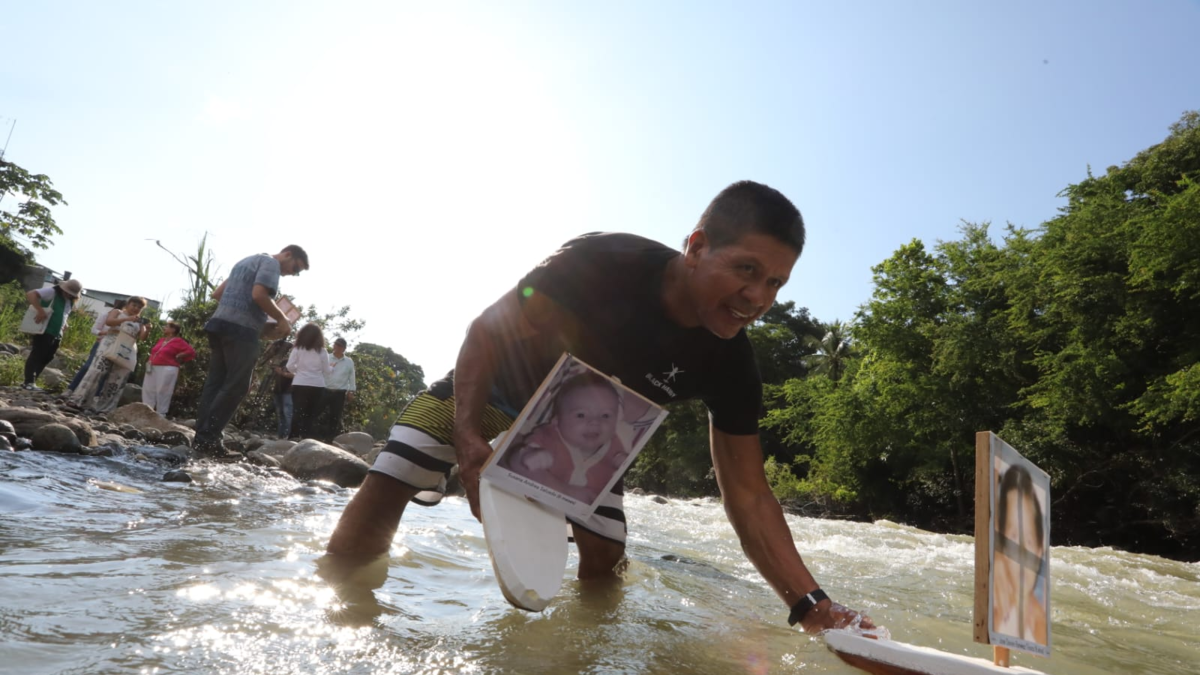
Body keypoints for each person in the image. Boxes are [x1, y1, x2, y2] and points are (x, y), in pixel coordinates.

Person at [325, 180, 873, 634]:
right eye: (746, 270)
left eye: (776, 282)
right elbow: (487, 330)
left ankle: (580, 653)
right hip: (496, 389)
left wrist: (813, 607)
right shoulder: (605, 261)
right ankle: (342, 621)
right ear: (697, 246)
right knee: (393, 477)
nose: (759, 298)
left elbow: (749, 495)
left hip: (587, 434)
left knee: (606, 562)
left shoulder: (732, 365)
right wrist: (467, 436)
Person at [192, 245, 308, 457]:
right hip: (241, 331)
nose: (293, 273)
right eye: (296, 268)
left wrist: (256, 321)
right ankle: (209, 439)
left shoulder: (246, 261)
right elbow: (259, 295)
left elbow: (218, 294)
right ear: (288, 254)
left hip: (219, 325)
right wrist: (282, 319)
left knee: (215, 383)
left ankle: (202, 437)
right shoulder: (271, 263)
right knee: (237, 385)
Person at [499, 371, 628, 504]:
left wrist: (623, 462)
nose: (595, 422)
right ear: (556, 420)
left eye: (605, 415)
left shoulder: (615, 447)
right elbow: (512, 459)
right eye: (581, 415)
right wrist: (527, 455)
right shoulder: (548, 435)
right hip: (528, 502)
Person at [992, 464, 1049, 645]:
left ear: (1040, 551)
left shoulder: (1042, 628)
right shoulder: (993, 619)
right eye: (1014, 537)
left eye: (1030, 541)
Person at [68, 296, 150, 413]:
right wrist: (127, 319)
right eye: (134, 305)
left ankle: (103, 408)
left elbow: (142, 338)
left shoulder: (139, 322)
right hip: (110, 343)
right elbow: (109, 322)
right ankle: (79, 400)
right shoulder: (117, 312)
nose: (136, 308)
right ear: (128, 304)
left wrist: (147, 329)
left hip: (126, 349)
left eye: (139, 307)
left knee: (116, 378)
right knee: (97, 371)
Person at [22, 278, 83, 390]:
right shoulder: (52, 292)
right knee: (37, 354)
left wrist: (65, 324)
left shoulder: (69, 301)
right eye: (67, 292)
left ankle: (33, 381)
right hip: (44, 329)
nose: (69, 294)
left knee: (48, 357)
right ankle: (28, 381)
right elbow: (31, 294)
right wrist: (40, 311)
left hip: (57, 333)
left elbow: (63, 314)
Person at [65, 298, 126, 396]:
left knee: (105, 373)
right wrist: (106, 333)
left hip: (116, 348)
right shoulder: (106, 315)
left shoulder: (129, 322)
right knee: (88, 366)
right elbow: (94, 330)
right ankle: (71, 389)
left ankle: (94, 396)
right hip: (101, 344)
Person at [287, 322, 332, 441]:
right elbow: (327, 371)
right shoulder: (322, 351)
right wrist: (332, 367)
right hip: (317, 385)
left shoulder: (297, 349)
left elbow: (289, 366)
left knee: (297, 412)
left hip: (299, 383)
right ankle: (307, 438)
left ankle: (293, 437)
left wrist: (299, 371)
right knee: (311, 414)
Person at [141, 321, 196, 416]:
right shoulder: (161, 340)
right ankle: (146, 411)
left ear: (173, 329)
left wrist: (180, 355)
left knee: (163, 391)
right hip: (153, 366)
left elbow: (191, 351)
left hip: (167, 368)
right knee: (148, 389)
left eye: (167, 326)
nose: (164, 327)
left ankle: (161, 414)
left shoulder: (178, 341)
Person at [319, 337, 356, 440]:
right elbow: (319, 371)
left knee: (335, 417)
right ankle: (311, 435)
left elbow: (351, 377)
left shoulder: (349, 361)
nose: (337, 347)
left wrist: (351, 391)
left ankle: (330, 439)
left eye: (339, 345)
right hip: (324, 389)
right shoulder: (327, 357)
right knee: (316, 413)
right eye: (336, 344)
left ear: (344, 348)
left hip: (339, 392)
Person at [265, 339, 295, 439]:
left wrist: (282, 373)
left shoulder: (296, 361)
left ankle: (289, 436)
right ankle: (281, 436)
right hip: (278, 389)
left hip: (288, 390)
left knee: (287, 414)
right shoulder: (282, 361)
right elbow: (270, 364)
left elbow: (296, 375)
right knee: (281, 414)